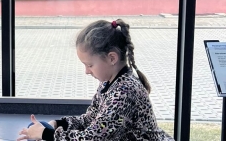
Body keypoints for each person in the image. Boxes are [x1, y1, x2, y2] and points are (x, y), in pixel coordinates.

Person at [17, 19, 174, 141]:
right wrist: (59, 124)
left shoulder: (124, 91)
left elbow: (93, 138)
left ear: (112, 58)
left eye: (90, 65)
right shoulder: (109, 83)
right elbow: (91, 120)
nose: (86, 71)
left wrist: (46, 134)